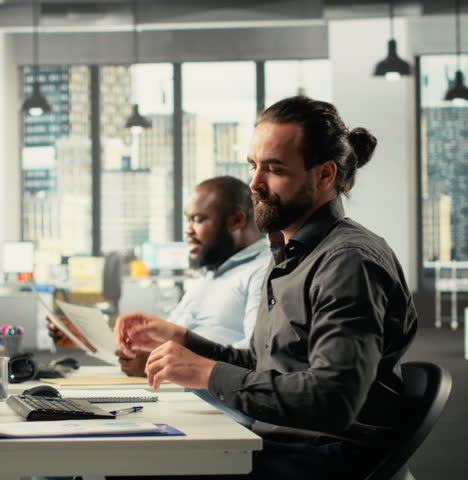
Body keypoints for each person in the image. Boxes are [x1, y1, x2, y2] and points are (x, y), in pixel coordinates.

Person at [114, 96, 418, 479]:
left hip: (320, 459)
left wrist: (207, 373)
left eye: (274, 169)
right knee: (118, 458)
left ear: (325, 175)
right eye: (253, 166)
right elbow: (265, 366)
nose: (255, 184)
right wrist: (182, 340)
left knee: (121, 466)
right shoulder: (291, 256)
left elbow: (332, 399)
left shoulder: (348, 261)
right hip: (276, 446)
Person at [49, 176, 270, 378]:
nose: (188, 231)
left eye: (198, 219)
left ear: (237, 221)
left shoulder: (262, 273)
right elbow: (172, 339)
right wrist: (86, 338)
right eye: (188, 220)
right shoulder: (210, 275)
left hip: (209, 398)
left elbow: (255, 359)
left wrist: (167, 363)